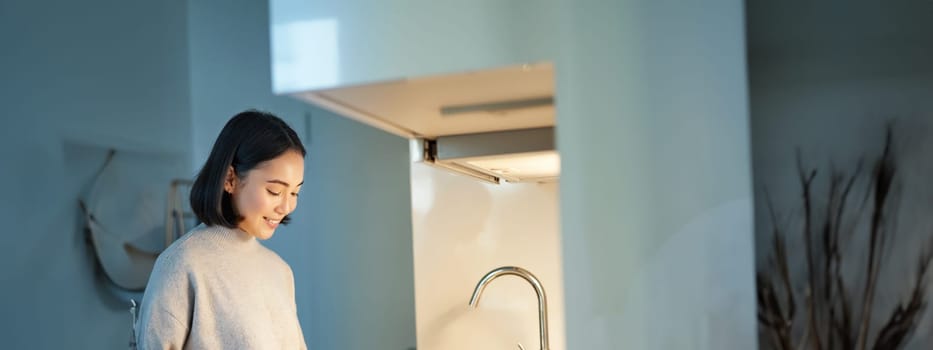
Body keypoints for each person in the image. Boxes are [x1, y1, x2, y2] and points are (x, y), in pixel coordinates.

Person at [137, 110, 307, 349]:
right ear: (230, 179)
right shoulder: (183, 264)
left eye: (294, 192)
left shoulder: (280, 271)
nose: (287, 206)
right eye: (275, 191)